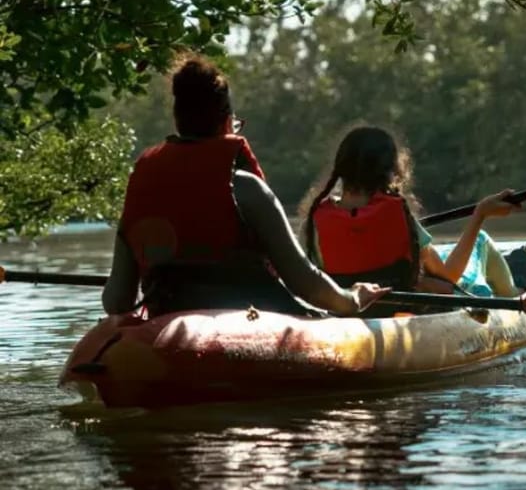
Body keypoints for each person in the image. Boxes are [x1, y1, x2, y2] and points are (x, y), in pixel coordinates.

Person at [102, 53, 386, 317]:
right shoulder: (247, 190)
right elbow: (305, 283)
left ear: (178, 121)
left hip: (165, 326)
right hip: (248, 324)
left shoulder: (144, 192)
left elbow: (116, 302)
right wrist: (353, 299)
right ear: (227, 123)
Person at [299, 125, 526, 313]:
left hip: (352, 312)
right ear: (391, 170)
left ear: (341, 169)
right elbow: (449, 276)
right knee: (479, 240)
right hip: (403, 309)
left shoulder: (316, 222)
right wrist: (480, 214)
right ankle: (515, 294)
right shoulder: (397, 213)